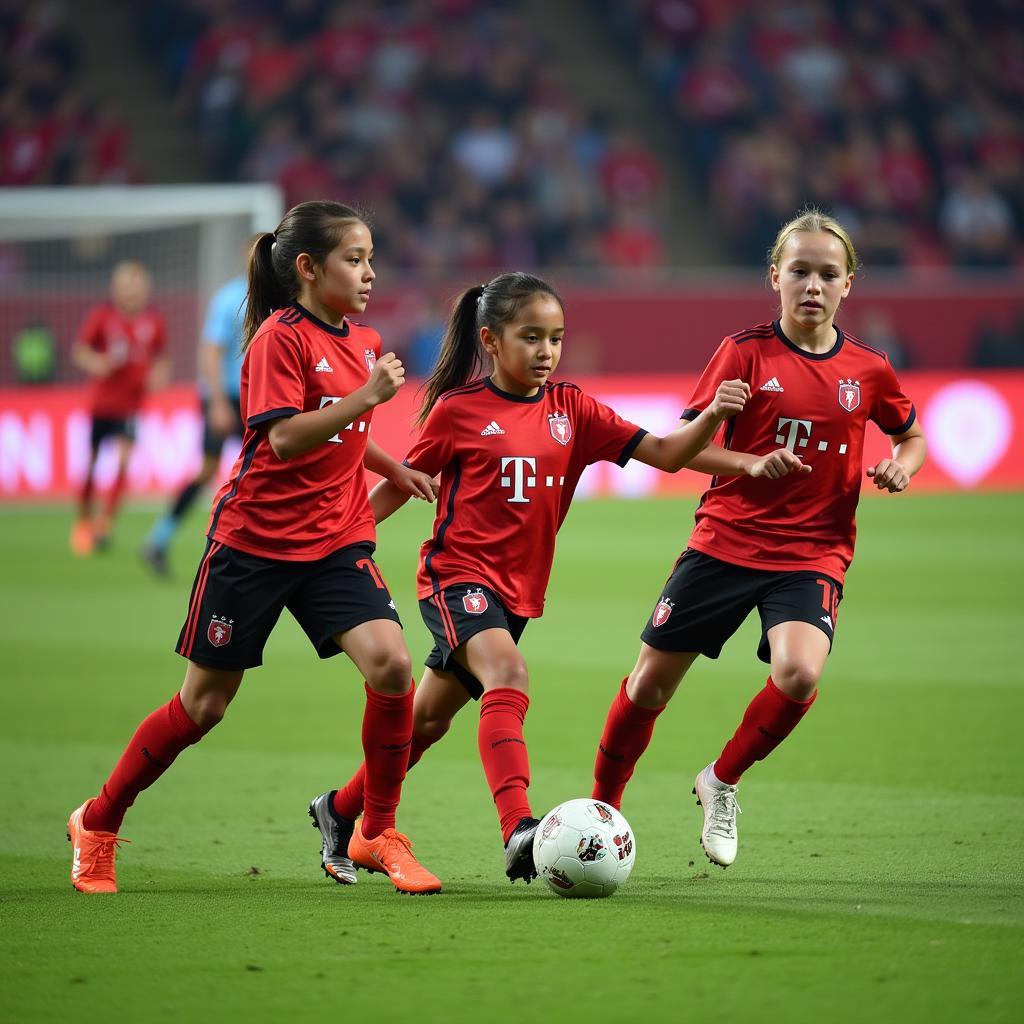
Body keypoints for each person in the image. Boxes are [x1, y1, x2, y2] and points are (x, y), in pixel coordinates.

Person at [307, 271, 749, 887]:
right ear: (490, 339)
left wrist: (721, 428)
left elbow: (670, 455)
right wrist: (342, 542)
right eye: (531, 337)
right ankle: (519, 828)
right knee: (508, 676)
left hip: (516, 594)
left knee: (426, 723)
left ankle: (339, 809)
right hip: (454, 578)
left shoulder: (574, 409)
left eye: (556, 339)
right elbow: (402, 486)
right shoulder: (457, 412)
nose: (546, 352)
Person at [67, 200, 443, 896]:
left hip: (333, 539)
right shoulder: (279, 337)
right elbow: (284, 437)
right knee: (204, 708)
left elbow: (342, 437)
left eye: (369, 258)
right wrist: (366, 397)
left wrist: (394, 469)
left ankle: (374, 831)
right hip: (254, 543)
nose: (369, 273)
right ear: (308, 268)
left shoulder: (362, 339)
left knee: (392, 664)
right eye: (353, 259)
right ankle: (98, 820)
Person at [589, 208, 927, 868]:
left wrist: (900, 466)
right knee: (649, 688)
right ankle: (604, 807)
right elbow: (685, 449)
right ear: (775, 276)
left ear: (848, 284)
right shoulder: (743, 352)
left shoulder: (870, 369)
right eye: (799, 271)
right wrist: (746, 462)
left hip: (812, 553)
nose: (812, 285)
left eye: (828, 274)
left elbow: (910, 435)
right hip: (725, 542)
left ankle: (722, 780)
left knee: (799, 673)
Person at [141, 245, 250, 576]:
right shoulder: (230, 298)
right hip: (227, 396)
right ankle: (158, 539)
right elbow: (211, 352)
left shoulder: (277, 296)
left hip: (258, 397)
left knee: (266, 471)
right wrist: (216, 401)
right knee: (207, 471)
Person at [69, 261, 171, 555]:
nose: (131, 291)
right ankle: (84, 520)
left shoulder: (154, 320)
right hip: (101, 404)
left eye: (136, 285)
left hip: (131, 405)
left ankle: (105, 523)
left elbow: (162, 356)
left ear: (145, 289)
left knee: (125, 461)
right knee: (91, 464)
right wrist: (97, 363)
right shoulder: (102, 317)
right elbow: (80, 350)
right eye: (126, 284)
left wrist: (160, 375)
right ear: (115, 288)